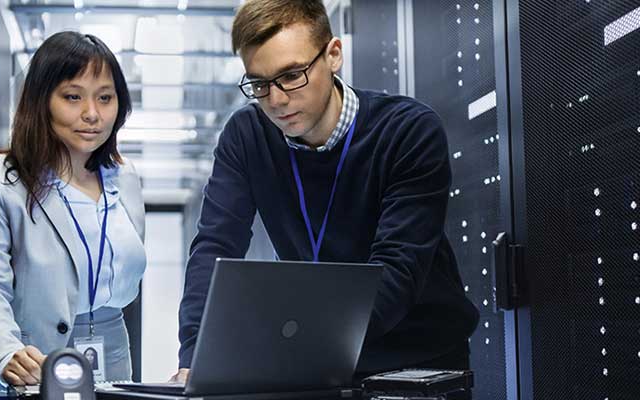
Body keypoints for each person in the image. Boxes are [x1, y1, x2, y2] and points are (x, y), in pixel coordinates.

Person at [172, 0, 479, 385]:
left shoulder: (408, 131)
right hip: (319, 356)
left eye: (292, 75)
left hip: (418, 358)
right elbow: (215, 245)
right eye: (260, 83)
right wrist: (198, 356)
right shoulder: (246, 135)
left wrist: (294, 350)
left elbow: (397, 270)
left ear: (333, 55)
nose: (277, 100)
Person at [0, 31, 146, 399]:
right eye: (72, 97)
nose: (92, 114)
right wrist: (4, 352)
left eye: (105, 98)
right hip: (30, 369)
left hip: (113, 371)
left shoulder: (125, 179)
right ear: (42, 101)